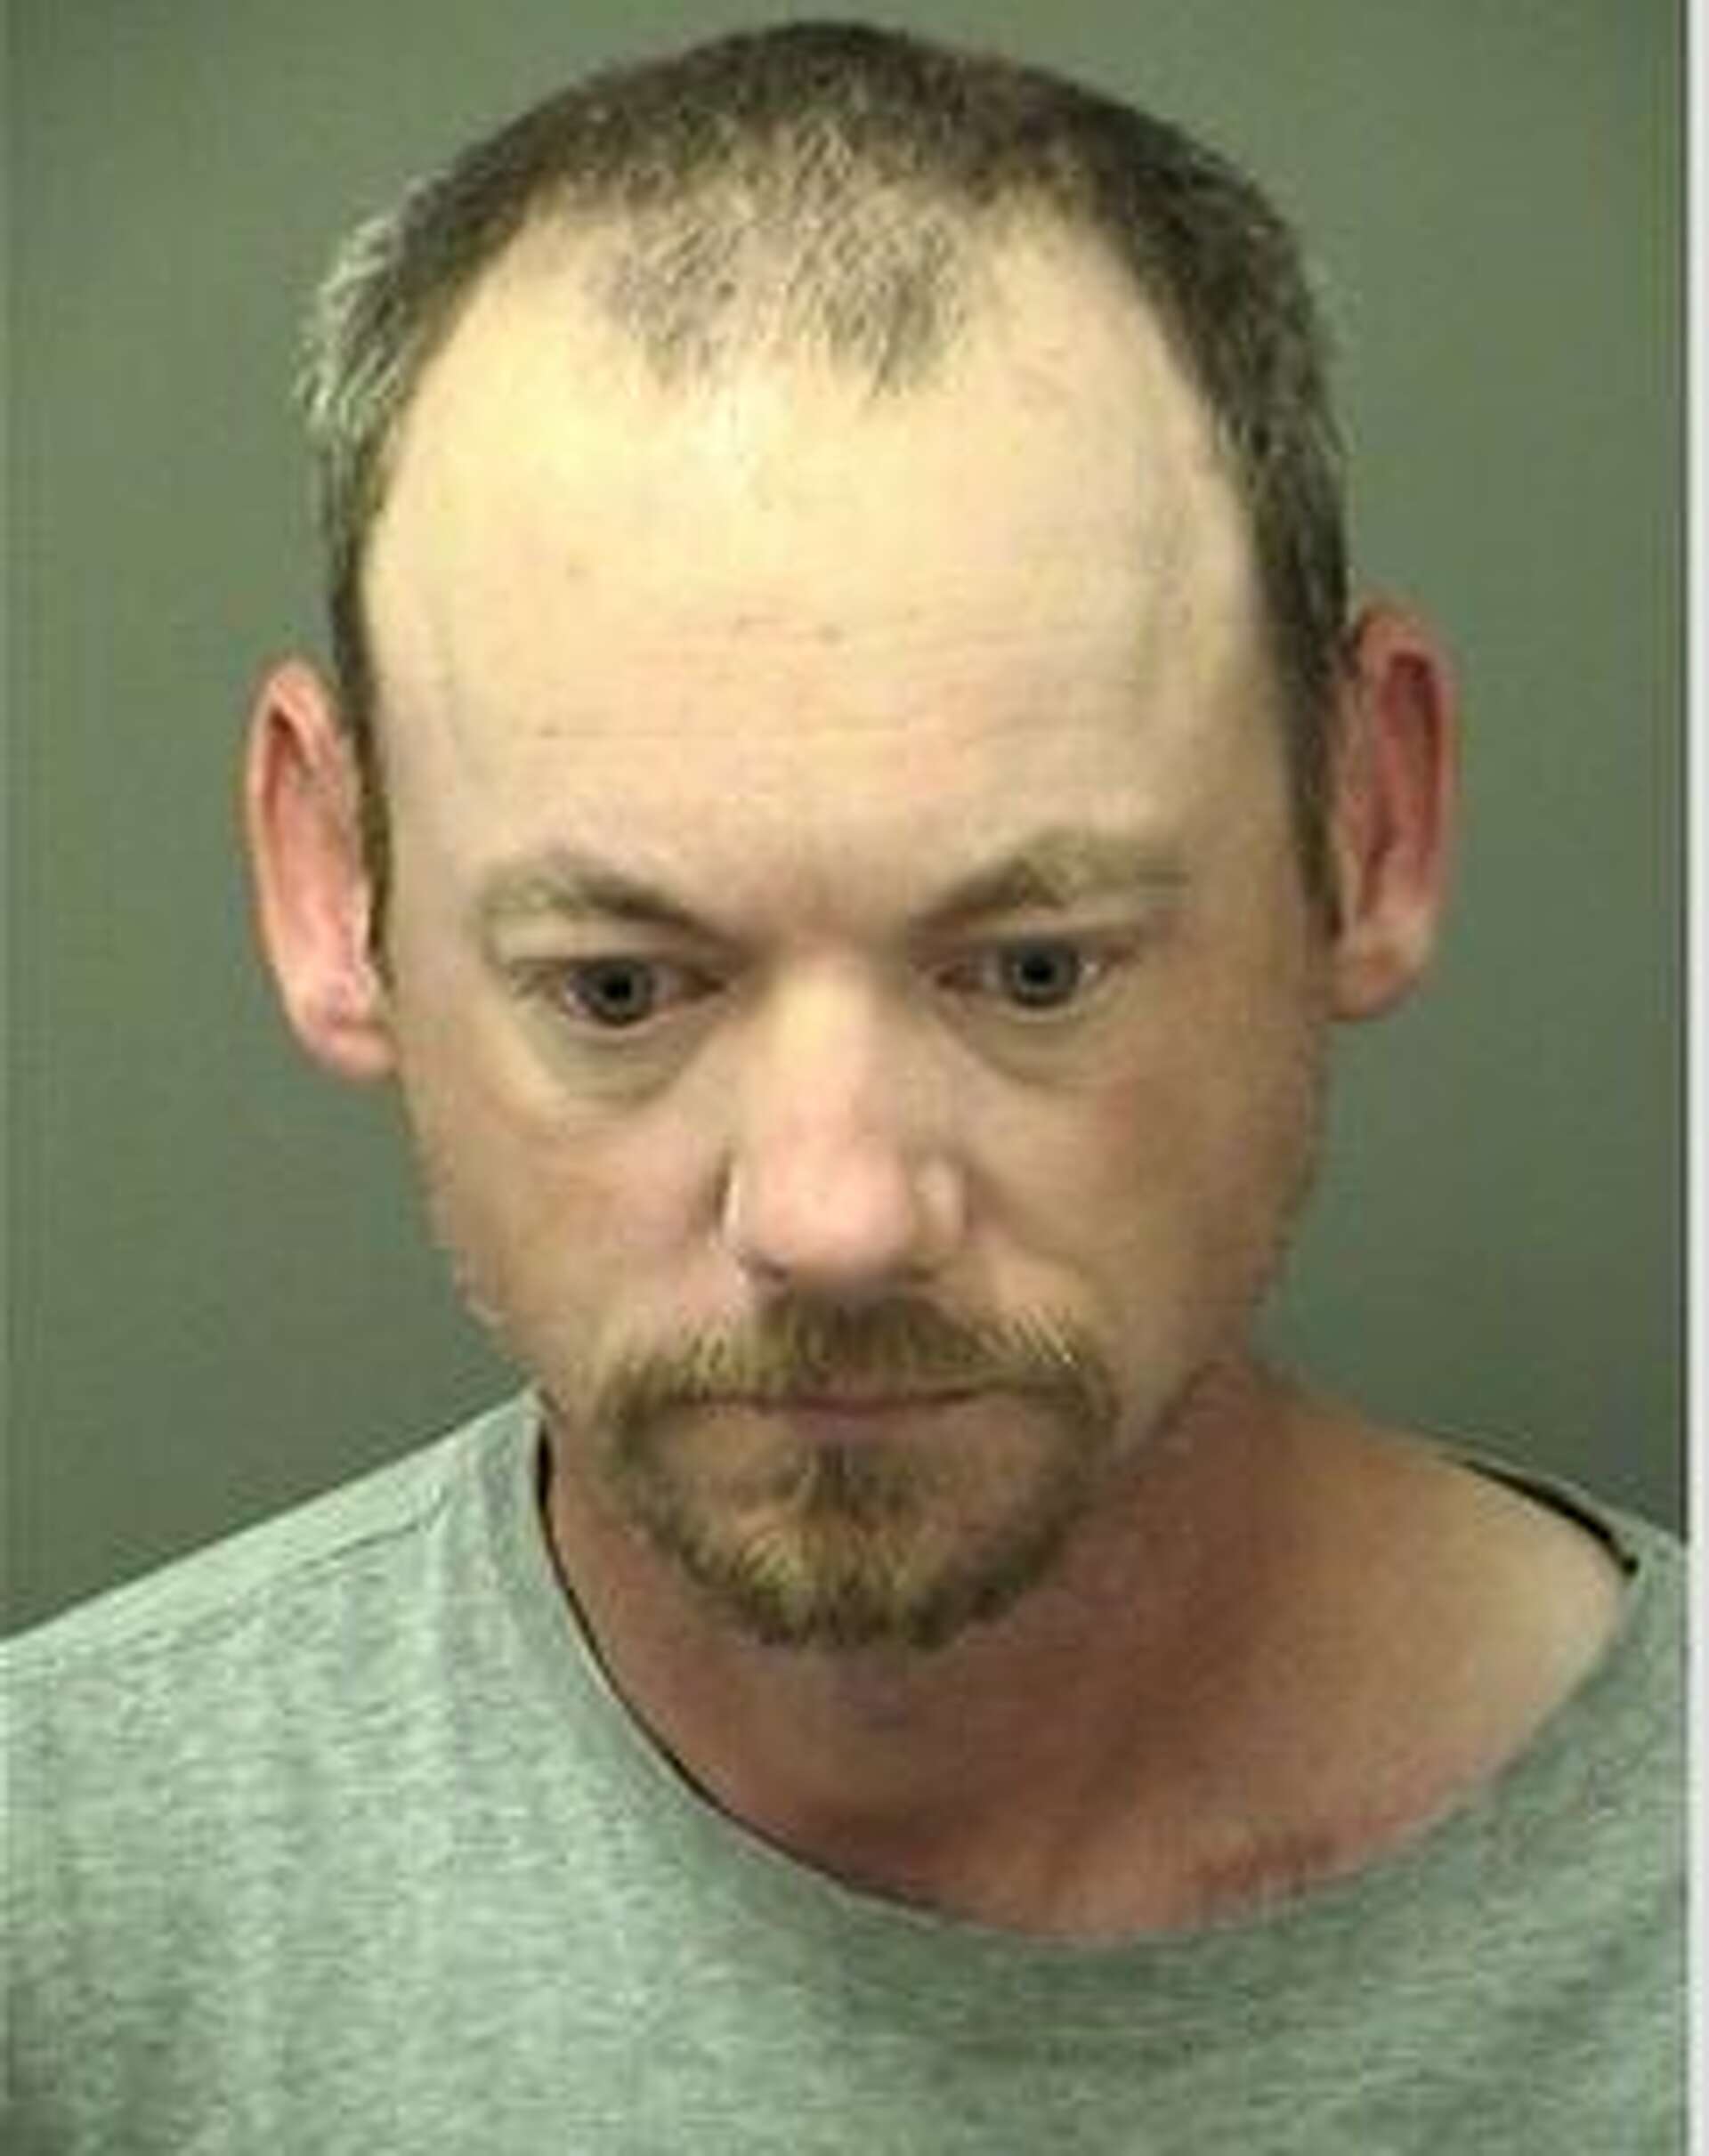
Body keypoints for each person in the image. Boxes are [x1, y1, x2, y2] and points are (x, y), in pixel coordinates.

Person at [4, 21, 1683, 2151]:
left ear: (1369, 820)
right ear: (337, 885)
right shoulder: (63, 1927)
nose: (835, 1213)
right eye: (620, 985)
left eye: (1036, 966)